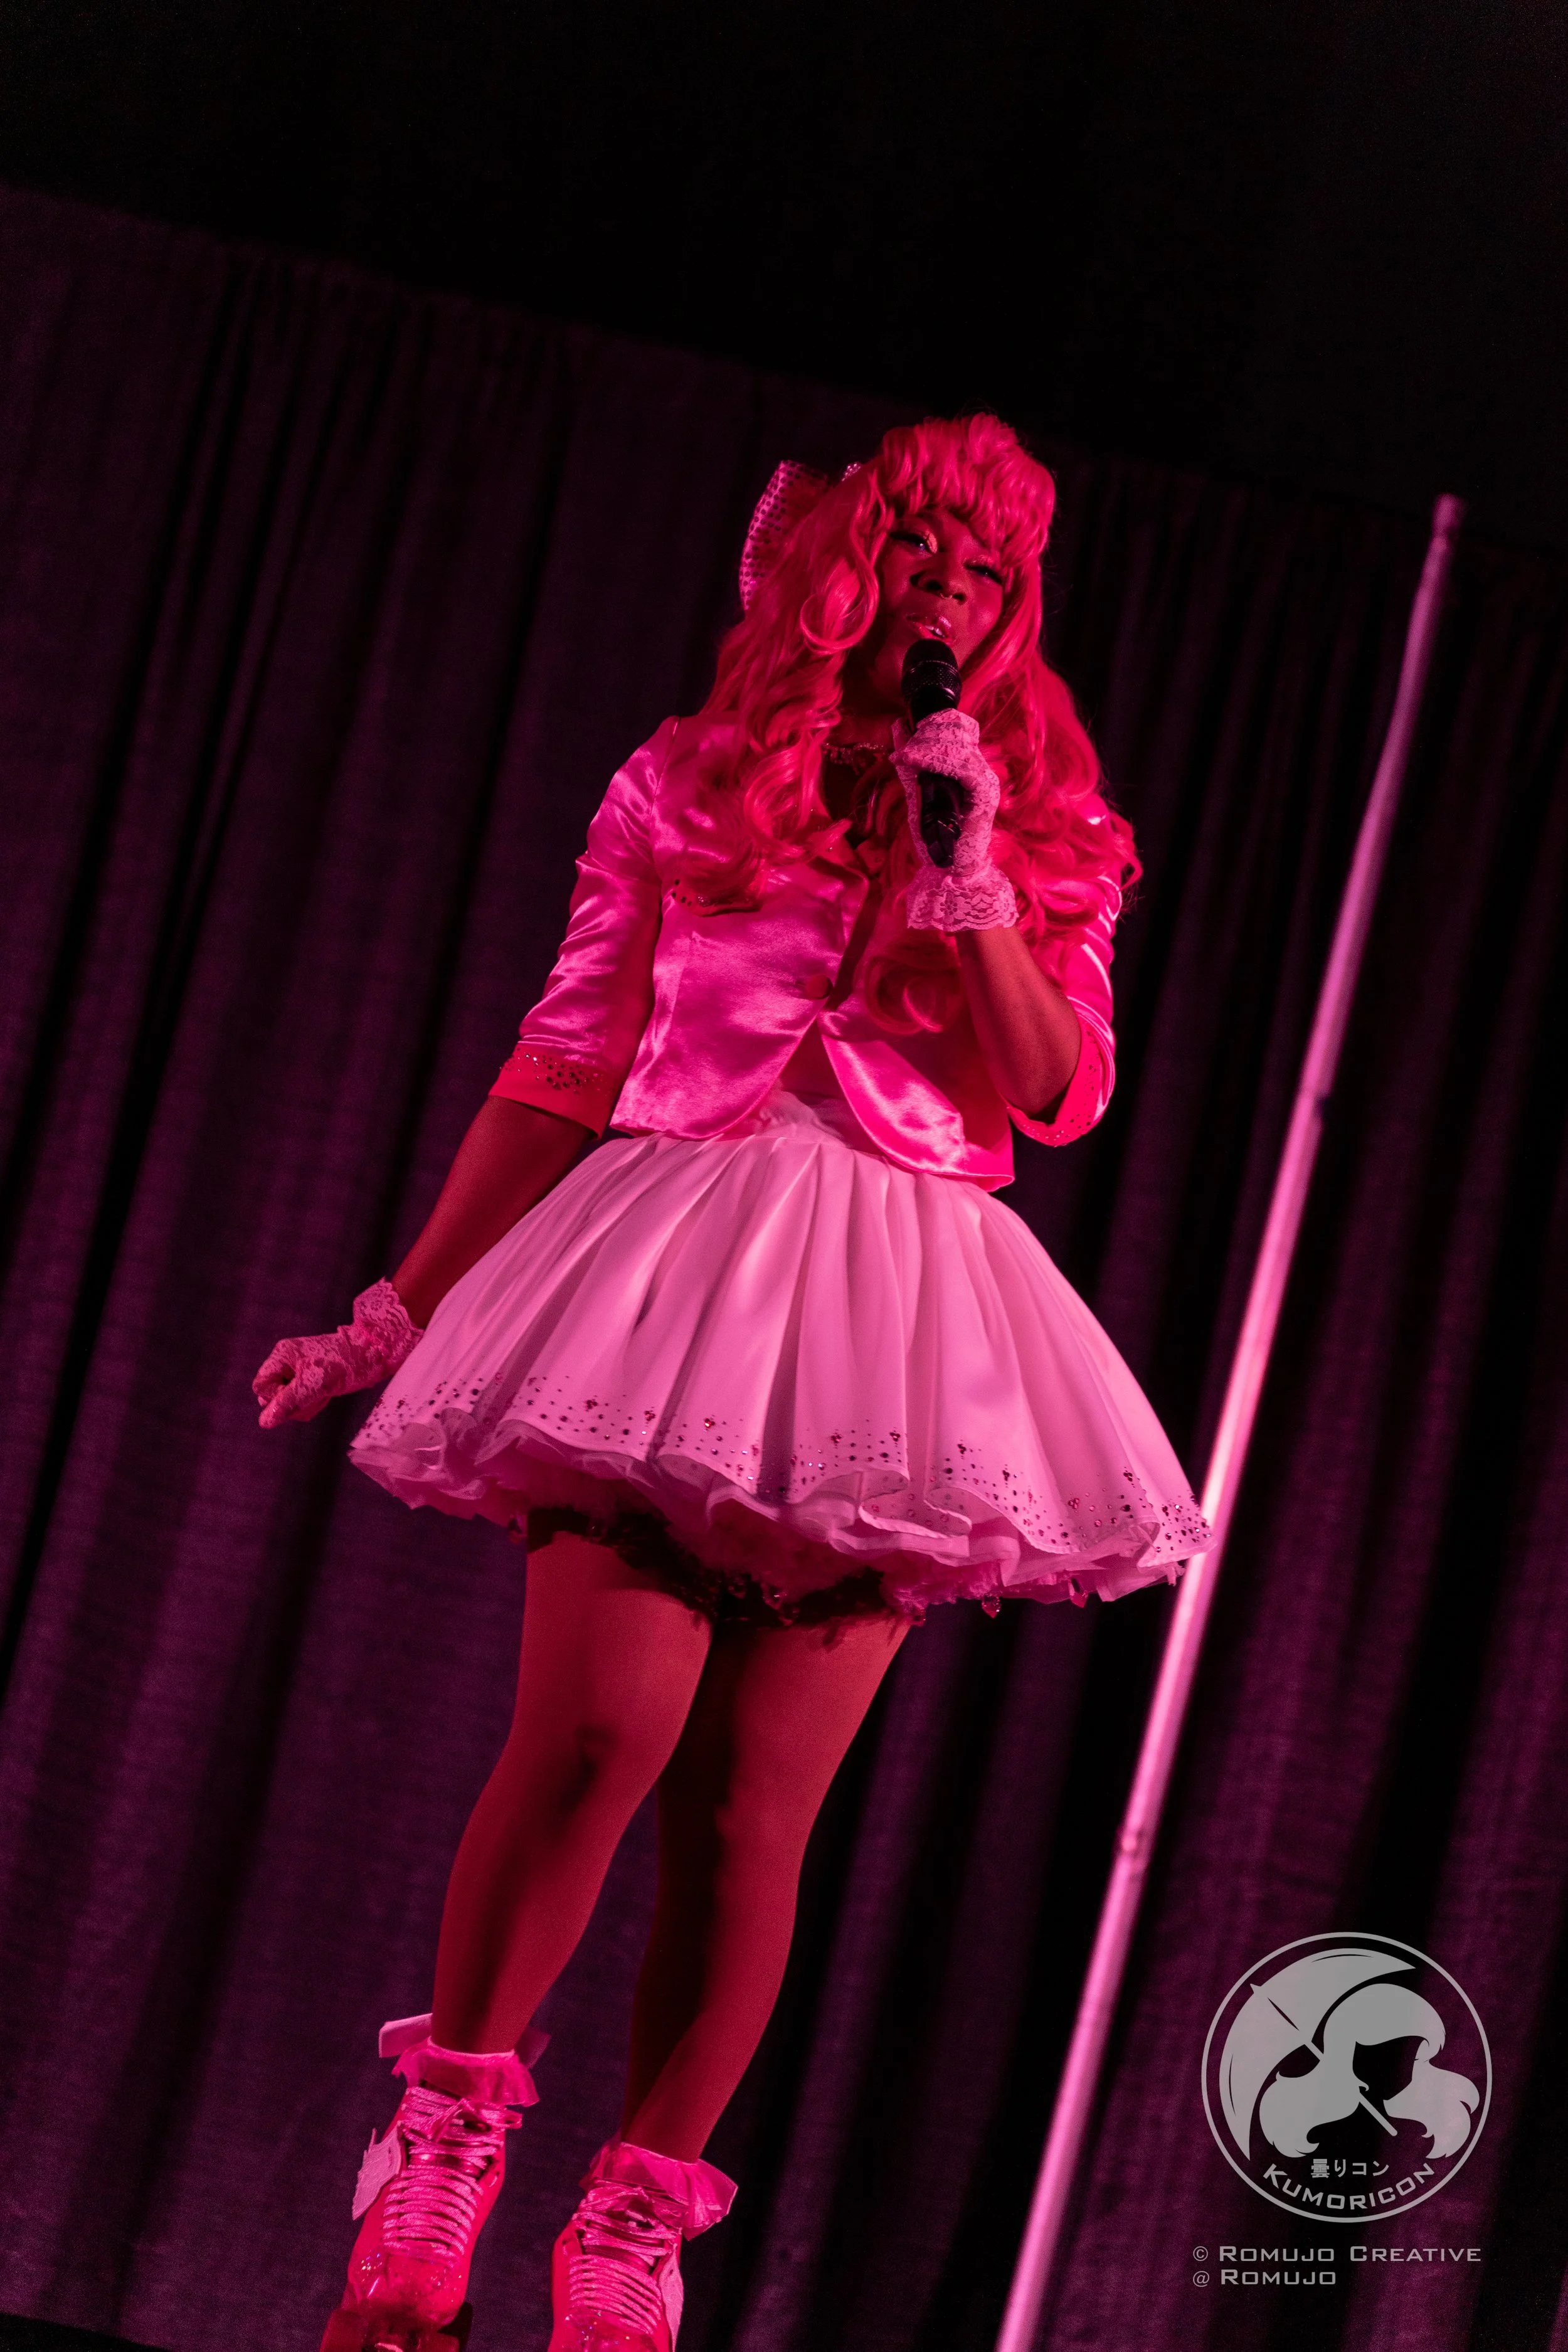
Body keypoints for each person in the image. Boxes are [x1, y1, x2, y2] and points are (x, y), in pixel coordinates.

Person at [254, 414, 1210, 2352]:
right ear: (846, 567)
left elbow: (1052, 1087)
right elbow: (564, 1051)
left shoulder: (1035, 823)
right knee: (606, 1724)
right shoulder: (691, 784)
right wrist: (403, 1302)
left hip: (901, 1309)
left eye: (983, 577)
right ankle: (443, 2125)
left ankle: (632, 2216)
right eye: (921, 560)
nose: (950, 601)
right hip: (673, 1273)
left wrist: (973, 884)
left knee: (752, 1811)